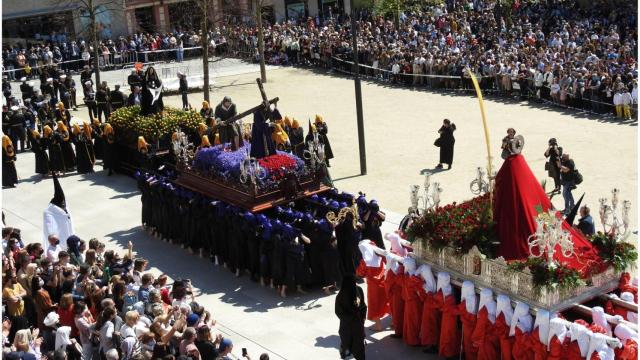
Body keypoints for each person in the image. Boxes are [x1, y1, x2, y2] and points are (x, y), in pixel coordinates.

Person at [335, 274, 366, 360]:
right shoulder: (342, 295)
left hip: (352, 325)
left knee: (354, 343)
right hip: (351, 324)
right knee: (352, 343)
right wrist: (357, 317)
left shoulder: (357, 290)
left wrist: (361, 317)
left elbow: (363, 305)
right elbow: (338, 312)